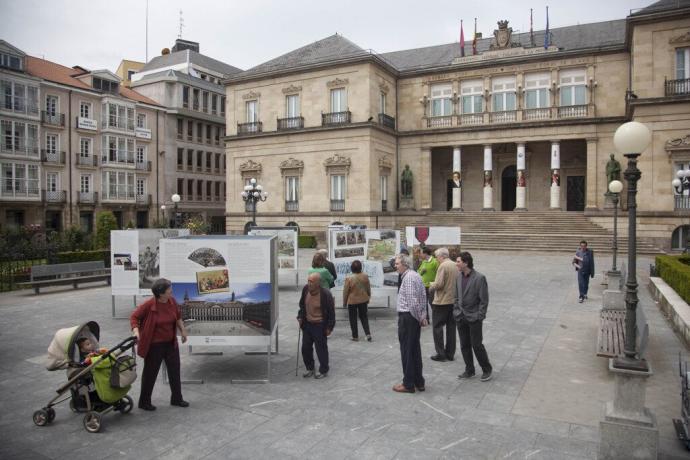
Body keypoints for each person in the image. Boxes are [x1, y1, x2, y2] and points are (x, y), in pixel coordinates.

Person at [130, 278, 189, 411]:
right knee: (150, 374)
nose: (171, 291)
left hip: (171, 343)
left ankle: (177, 399)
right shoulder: (148, 305)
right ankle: (144, 402)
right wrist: (136, 331)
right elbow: (134, 317)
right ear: (161, 293)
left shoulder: (172, 301)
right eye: (169, 290)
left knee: (175, 371)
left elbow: (178, 316)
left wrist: (183, 330)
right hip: (154, 346)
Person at [454, 252, 493, 382]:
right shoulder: (458, 277)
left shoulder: (480, 278)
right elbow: (456, 296)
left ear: (466, 263)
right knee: (464, 345)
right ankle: (469, 370)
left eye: (458, 261)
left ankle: (487, 369)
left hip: (474, 318)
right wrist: (456, 311)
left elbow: (484, 300)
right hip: (461, 317)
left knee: (476, 345)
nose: (456, 263)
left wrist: (479, 316)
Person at [393, 253, 428, 393]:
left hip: (408, 317)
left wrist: (419, 317)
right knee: (414, 350)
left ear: (405, 264)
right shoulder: (415, 275)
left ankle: (408, 384)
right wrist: (423, 315)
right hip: (413, 317)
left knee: (407, 350)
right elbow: (423, 296)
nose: (395, 266)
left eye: (397, 264)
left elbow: (413, 301)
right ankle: (419, 381)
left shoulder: (408, 278)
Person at [297, 272, 336, 379]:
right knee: (305, 348)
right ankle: (310, 368)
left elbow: (331, 313)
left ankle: (323, 370)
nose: (309, 284)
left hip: (319, 325)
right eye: (308, 281)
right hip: (307, 324)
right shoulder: (305, 290)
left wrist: (329, 327)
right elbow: (302, 305)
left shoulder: (325, 294)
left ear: (318, 283)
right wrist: (300, 316)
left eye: (311, 282)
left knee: (321, 349)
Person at [428, 248, 457, 362]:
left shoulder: (443, 266)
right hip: (453, 300)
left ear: (442, 256)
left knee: (437, 327)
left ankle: (441, 354)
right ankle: (450, 353)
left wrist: (431, 285)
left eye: (437, 257)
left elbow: (439, 284)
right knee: (451, 327)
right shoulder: (455, 265)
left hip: (442, 301)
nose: (436, 259)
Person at [343, 260, 372, 342]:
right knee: (364, 317)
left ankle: (355, 336)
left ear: (352, 268)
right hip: (363, 299)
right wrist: (368, 296)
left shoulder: (348, 278)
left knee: (353, 318)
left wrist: (344, 302)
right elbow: (368, 287)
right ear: (360, 268)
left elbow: (345, 291)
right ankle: (368, 333)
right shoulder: (365, 276)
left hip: (352, 301)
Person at [417, 247, 438, 316]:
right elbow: (418, 272)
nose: (420, 254)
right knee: (423, 303)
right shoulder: (423, 262)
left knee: (432, 303)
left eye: (421, 253)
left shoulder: (435, 262)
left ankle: (436, 317)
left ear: (425, 253)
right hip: (423, 286)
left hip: (431, 286)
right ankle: (426, 318)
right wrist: (421, 271)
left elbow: (439, 273)